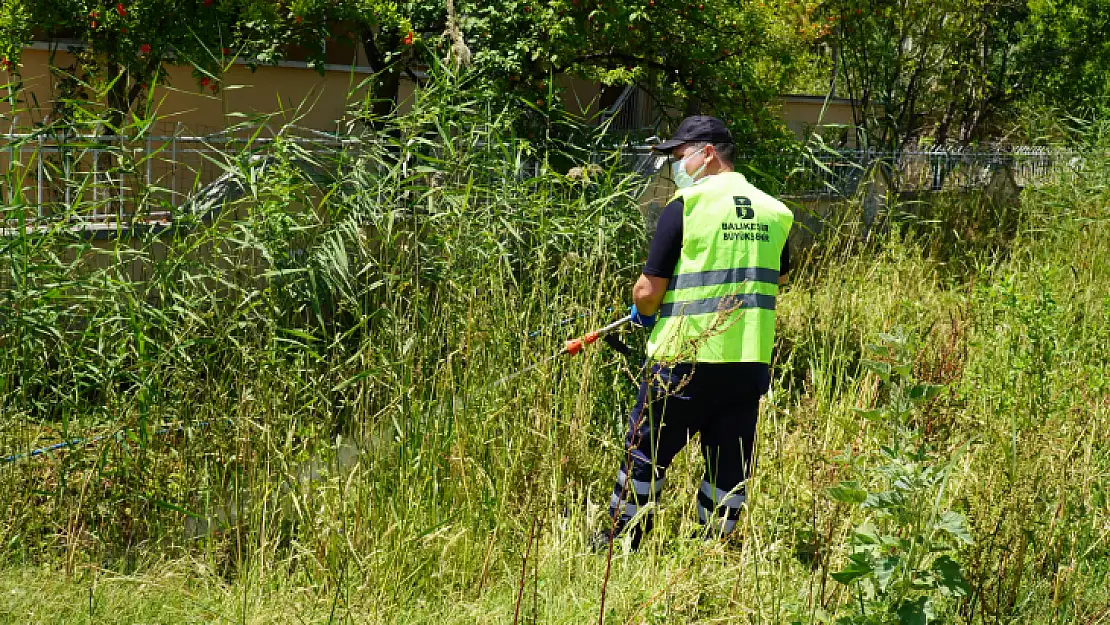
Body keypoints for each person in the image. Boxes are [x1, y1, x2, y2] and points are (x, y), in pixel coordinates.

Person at [596, 115, 793, 549]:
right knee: (728, 466)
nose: (674, 164)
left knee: (644, 456)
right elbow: (773, 280)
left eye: (679, 155)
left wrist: (644, 313)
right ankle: (712, 550)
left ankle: (617, 544)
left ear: (706, 154)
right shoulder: (775, 212)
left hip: (681, 361)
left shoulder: (686, 207)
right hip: (746, 363)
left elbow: (648, 291)